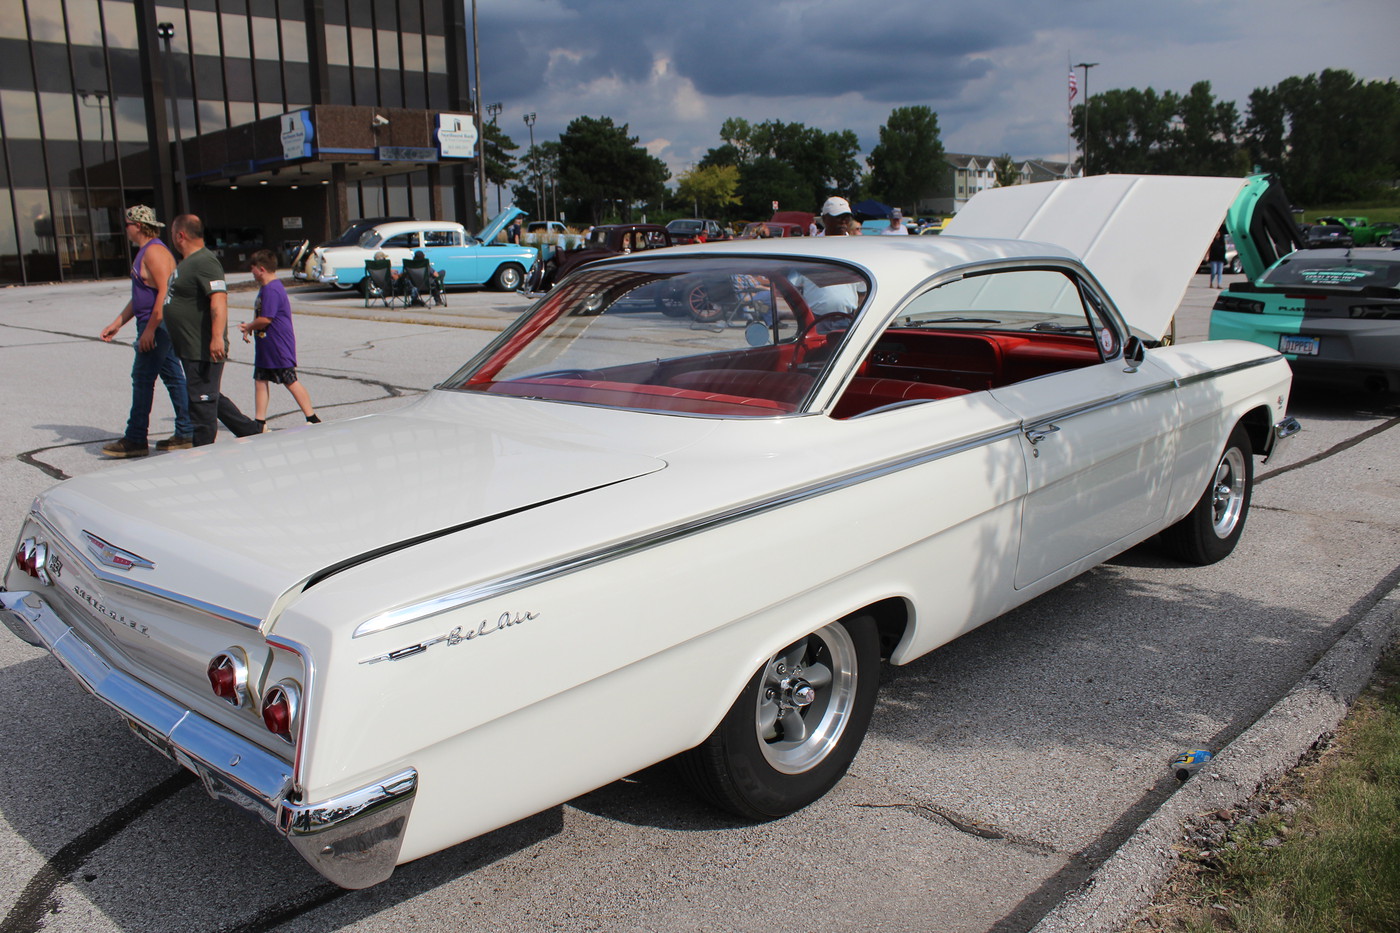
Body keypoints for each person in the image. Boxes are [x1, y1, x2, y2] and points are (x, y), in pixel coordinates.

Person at [98, 205, 194, 457]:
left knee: (141, 378)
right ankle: (186, 432)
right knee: (173, 377)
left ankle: (136, 438)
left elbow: (165, 293)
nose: (125, 230)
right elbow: (140, 296)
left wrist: (150, 330)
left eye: (127, 225)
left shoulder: (154, 253)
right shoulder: (145, 252)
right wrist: (118, 322)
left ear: (138, 226)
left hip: (158, 324)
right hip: (155, 322)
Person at [162, 214, 262, 446]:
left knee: (201, 404)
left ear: (181, 235)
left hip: (203, 347)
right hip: (190, 346)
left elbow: (218, 300)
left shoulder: (205, 262)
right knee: (208, 396)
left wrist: (217, 337)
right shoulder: (188, 263)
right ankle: (251, 432)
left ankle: (203, 453)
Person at [239, 249, 320, 431]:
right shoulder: (266, 289)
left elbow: (266, 318)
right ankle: (259, 422)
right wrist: (252, 327)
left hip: (278, 345)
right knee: (260, 379)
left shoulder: (272, 289)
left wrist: (250, 326)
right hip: (266, 345)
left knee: (289, 379)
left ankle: (312, 417)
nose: (251, 273)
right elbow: (261, 316)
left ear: (261, 269)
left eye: (252, 269)